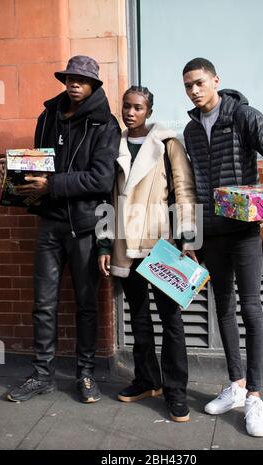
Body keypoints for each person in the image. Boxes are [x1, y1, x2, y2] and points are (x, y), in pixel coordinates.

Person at [182, 57, 263, 437]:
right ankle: (234, 386)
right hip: (212, 233)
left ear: (216, 80)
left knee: (251, 309)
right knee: (224, 308)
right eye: (188, 86)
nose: (195, 90)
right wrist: (193, 236)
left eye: (200, 82)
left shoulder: (244, 116)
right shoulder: (190, 130)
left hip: (244, 229)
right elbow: (195, 188)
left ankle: (255, 396)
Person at [6, 55, 121, 403]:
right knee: (43, 304)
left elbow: (101, 180)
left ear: (93, 85)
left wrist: (51, 185)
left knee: (86, 304)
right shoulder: (48, 116)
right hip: (51, 224)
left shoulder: (105, 125)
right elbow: (39, 163)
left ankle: (85, 374)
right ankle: (42, 375)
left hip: (85, 226)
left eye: (81, 80)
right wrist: (18, 173)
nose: (74, 84)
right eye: (70, 78)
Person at [98, 86, 197, 422]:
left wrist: (187, 239)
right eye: (126, 106)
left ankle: (176, 393)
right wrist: (104, 243)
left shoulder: (169, 144)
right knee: (138, 317)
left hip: (161, 244)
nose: (130, 112)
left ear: (149, 111)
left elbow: (185, 191)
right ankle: (146, 380)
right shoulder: (115, 145)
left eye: (138, 107)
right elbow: (105, 198)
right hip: (126, 244)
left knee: (171, 321)